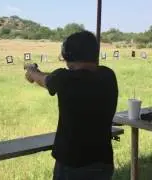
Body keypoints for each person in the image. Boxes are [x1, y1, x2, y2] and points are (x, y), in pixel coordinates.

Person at [25, 30, 118, 180]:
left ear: (68, 54)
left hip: (72, 165)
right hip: (103, 161)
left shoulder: (65, 79)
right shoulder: (108, 75)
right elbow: (68, 77)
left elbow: (44, 79)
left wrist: (32, 72)